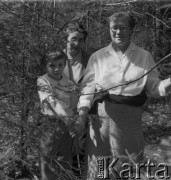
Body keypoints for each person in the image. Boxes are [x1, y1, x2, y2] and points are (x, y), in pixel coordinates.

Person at [77, 12, 171, 180]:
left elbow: (155, 88)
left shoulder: (144, 56)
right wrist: (82, 114)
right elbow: (87, 89)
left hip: (130, 123)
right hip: (102, 123)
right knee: (101, 169)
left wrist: (169, 81)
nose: (118, 32)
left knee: (128, 169)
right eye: (114, 28)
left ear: (131, 30)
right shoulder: (97, 57)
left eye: (123, 28)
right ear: (109, 29)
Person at [37, 49, 81, 180]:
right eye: (52, 65)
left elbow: (73, 105)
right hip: (49, 122)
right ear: (45, 66)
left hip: (66, 126)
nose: (56, 69)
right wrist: (67, 118)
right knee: (47, 156)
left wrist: (73, 121)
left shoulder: (69, 83)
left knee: (65, 156)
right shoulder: (43, 80)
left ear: (65, 65)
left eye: (60, 65)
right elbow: (52, 102)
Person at [62, 22, 97, 177]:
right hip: (60, 114)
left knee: (80, 152)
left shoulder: (90, 60)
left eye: (81, 40)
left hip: (83, 113)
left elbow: (90, 87)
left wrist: (81, 117)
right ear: (65, 39)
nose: (77, 43)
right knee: (61, 154)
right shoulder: (55, 59)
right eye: (73, 39)